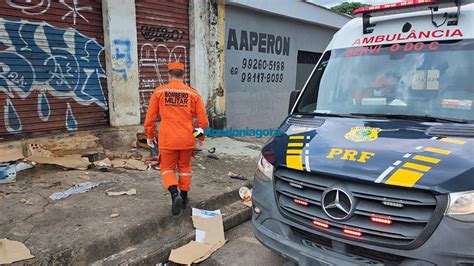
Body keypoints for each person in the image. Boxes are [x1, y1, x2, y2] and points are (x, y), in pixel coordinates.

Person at [144, 61, 209, 216]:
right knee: (185, 168)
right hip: (187, 138)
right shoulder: (193, 93)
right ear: (183, 75)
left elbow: (150, 118)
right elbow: (202, 121)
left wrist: (150, 135)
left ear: (169, 74)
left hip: (167, 138)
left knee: (167, 168)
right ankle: (184, 198)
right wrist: (200, 138)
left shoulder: (160, 92)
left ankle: (174, 194)